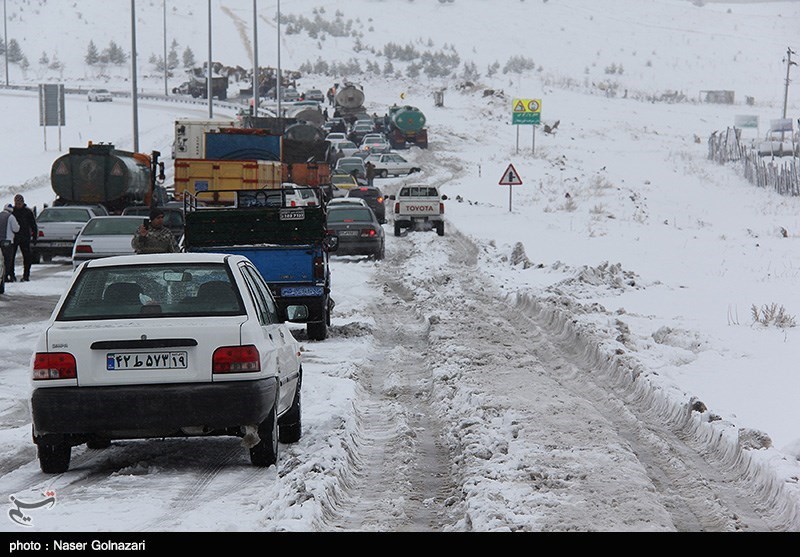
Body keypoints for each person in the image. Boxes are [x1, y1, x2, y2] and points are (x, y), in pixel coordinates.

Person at [11, 194, 37, 282]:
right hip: (14, 237)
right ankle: (12, 275)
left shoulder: (28, 212)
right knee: (11, 257)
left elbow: (33, 225)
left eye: (19, 203)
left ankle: (26, 276)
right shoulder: (12, 212)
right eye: (16, 203)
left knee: (27, 257)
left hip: (25, 237)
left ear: (23, 202)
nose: (18, 204)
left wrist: (34, 237)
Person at [0, 203, 19, 283]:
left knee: (1, 260)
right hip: (7, 241)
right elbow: (16, 229)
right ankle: (5, 276)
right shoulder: (11, 217)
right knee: (8, 260)